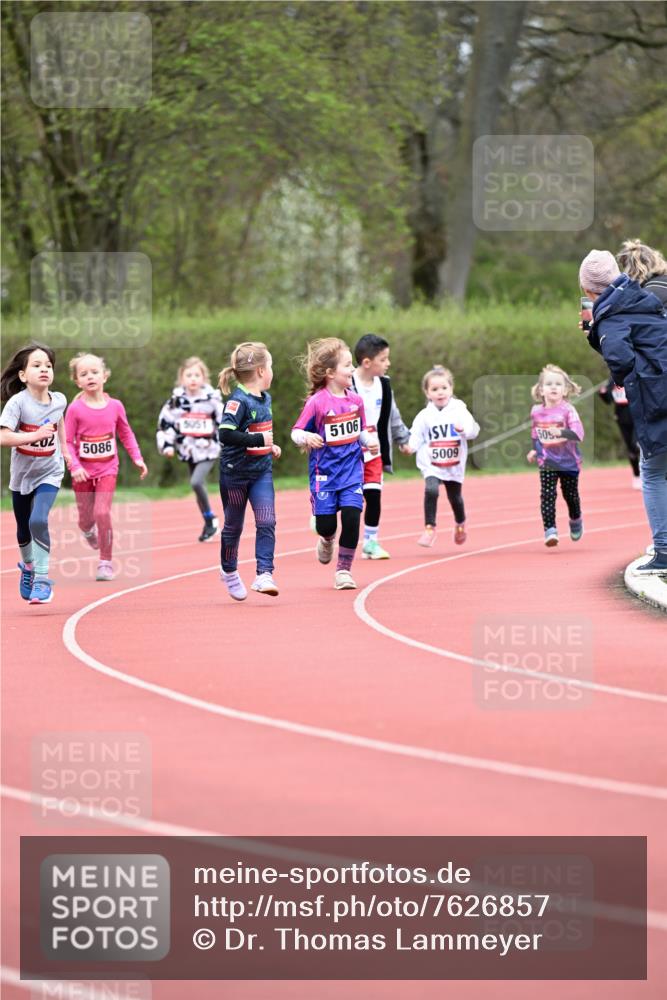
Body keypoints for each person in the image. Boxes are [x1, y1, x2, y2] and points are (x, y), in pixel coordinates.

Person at [580, 248, 667, 573]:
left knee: (654, 471)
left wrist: (627, 380)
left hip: (657, 397)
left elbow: (619, 357)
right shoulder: (640, 298)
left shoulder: (613, 313)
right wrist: (595, 335)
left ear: (589, 290)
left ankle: (664, 550)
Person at [291, 337, 379, 590]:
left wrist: (368, 440)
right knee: (326, 525)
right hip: (325, 474)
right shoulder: (317, 402)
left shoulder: (356, 401)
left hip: (352, 471)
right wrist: (307, 437)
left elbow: (360, 430)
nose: (352, 370)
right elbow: (295, 431)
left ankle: (343, 571)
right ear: (330, 373)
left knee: (352, 517)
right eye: (347, 365)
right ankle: (327, 539)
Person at [65, 353, 148, 582]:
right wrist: (75, 467)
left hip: (107, 469)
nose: (90, 376)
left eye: (94, 372)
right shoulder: (75, 410)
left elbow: (126, 433)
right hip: (82, 473)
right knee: (85, 519)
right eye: (84, 374)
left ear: (105, 376)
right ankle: (87, 530)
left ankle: (106, 562)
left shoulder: (115, 406)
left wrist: (137, 458)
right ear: (77, 381)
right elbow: (68, 442)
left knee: (102, 512)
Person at [0, 343, 70, 604]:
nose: (44, 370)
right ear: (22, 375)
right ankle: (28, 567)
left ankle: (42, 579)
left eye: (48, 366)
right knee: (22, 530)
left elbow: (59, 419)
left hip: (50, 472)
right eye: (37, 365)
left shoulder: (60, 399)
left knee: (38, 521)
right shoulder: (18, 403)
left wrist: (65, 450)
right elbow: (3, 436)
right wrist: (33, 435)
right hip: (22, 477)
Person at [217, 342, 281, 600]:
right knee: (233, 526)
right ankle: (229, 571)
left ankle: (264, 573)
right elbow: (226, 434)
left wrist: (269, 446)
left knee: (267, 520)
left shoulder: (266, 398)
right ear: (261, 371)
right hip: (234, 475)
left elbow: (259, 433)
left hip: (261, 473)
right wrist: (259, 442)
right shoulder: (237, 401)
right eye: (272, 367)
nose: (272, 372)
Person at [351, 334, 410, 559]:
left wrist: (403, 439)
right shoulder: (348, 383)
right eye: (384, 359)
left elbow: (392, 416)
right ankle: (322, 514)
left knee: (374, 495)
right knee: (350, 499)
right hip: (349, 452)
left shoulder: (384, 385)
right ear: (367, 362)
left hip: (374, 451)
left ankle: (370, 542)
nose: (388, 363)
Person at [406, 365, 479, 548]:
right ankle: (430, 528)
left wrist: (465, 430)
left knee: (455, 497)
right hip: (431, 463)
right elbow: (416, 435)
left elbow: (473, 430)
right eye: (435, 389)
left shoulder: (459, 410)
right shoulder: (424, 416)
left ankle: (460, 523)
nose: (440, 393)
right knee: (431, 490)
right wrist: (410, 447)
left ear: (451, 389)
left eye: (444, 388)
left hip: (453, 463)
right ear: (427, 392)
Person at [157, 356, 223, 542]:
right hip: (188, 450)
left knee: (195, 482)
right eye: (189, 375)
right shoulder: (176, 401)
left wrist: (228, 442)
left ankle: (210, 518)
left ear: (203, 378)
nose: (193, 378)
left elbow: (225, 422)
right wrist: (167, 446)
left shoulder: (212, 399)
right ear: (182, 378)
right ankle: (209, 523)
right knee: (198, 486)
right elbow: (166, 424)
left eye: (197, 375)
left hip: (209, 449)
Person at [526, 364, 585, 547]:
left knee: (570, 495)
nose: (553, 387)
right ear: (541, 390)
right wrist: (535, 449)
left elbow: (578, 434)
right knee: (547, 494)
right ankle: (550, 530)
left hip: (568, 462)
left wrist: (561, 433)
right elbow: (536, 435)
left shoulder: (568, 410)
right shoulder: (536, 411)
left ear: (565, 389)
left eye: (558, 384)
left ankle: (575, 519)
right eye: (549, 384)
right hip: (547, 460)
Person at [598, 377, 641, 489]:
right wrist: (602, 393)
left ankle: (648, 472)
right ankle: (637, 475)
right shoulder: (613, 380)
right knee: (631, 449)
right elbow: (608, 400)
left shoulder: (636, 375)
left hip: (638, 417)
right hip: (621, 418)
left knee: (636, 444)